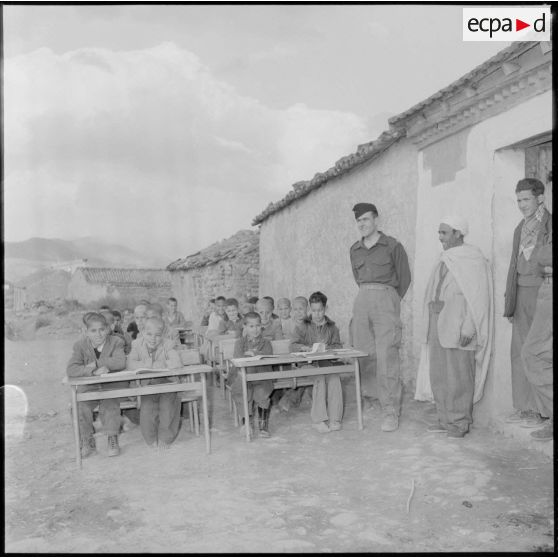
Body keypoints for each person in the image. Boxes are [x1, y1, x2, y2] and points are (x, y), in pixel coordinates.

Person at [420, 216, 493, 438]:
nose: (440, 237)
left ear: (458, 233)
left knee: (460, 375)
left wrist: (469, 328)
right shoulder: (446, 258)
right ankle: (445, 419)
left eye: (444, 233)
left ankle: (459, 423)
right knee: (440, 374)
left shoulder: (473, 259)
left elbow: (479, 297)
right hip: (438, 321)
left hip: (459, 324)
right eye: (439, 233)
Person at [349, 202, 411, 432]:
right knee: (364, 353)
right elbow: (357, 277)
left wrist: (389, 300)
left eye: (365, 219)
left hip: (386, 299)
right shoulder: (354, 249)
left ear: (376, 220)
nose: (362, 224)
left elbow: (404, 278)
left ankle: (390, 411)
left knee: (387, 357)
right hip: (362, 300)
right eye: (358, 221)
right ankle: (371, 399)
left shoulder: (392, 246)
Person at [504, 178, 552, 428]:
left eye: (526, 199)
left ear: (540, 198)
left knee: (541, 351)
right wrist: (510, 300)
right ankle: (526, 408)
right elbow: (514, 266)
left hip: (543, 294)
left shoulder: (549, 224)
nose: (522, 205)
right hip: (521, 292)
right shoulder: (520, 228)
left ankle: (545, 411)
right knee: (519, 350)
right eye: (519, 200)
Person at [66, 312, 126, 458]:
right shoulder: (80, 345)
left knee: (110, 403)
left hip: (111, 385)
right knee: (80, 406)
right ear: (86, 332)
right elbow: (71, 369)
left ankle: (112, 438)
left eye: (102, 330)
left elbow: (120, 361)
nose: (98, 334)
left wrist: (98, 363)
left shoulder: (116, 341)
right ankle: (87, 440)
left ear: (108, 329)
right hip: (90, 387)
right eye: (93, 331)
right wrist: (92, 370)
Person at [127, 317, 183, 449]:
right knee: (147, 408)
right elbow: (130, 364)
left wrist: (156, 364)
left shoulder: (168, 345)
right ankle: (150, 439)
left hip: (167, 383)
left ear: (163, 334)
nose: (153, 338)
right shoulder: (136, 344)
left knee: (168, 407)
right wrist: (150, 364)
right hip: (146, 384)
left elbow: (177, 362)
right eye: (149, 334)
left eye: (158, 335)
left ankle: (166, 438)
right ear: (142, 332)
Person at [291, 291, 343, 433]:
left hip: (326, 363)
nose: (317, 314)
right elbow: (293, 345)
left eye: (320, 310)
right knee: (320, 377)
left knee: (334, 377)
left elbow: (338, 346)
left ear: (325, 309)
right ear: (310, 310)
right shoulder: (303, 326)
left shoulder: (332, 327)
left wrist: (327, 348)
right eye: (314, 311)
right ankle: (318, 420)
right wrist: (304, 347)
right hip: (307, 365)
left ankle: (335, 419)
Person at [521, 228, 553, 441]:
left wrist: (542, 257)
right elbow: (534, 263)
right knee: (535, 355)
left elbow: (542, 257)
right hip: (546, 289)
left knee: (532, 354)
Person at [229, 312, 274, 437]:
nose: (255, 329)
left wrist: (253, 354)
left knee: (262, 394)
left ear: (261, 326)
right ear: (245, 327)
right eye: (251, 326)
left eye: (258, 326)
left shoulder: (266, 342)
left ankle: (263, 426)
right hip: (243, 377)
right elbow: (238, 357)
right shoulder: (240, 343)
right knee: (244, 393)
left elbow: (268, 355)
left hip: (262, 375)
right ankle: (246, 423)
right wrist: (253, 355)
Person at [277, 296, 311, 412]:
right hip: (289, 358)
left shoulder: (310, 324)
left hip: (306, 358)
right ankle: (290, 399)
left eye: (301, 309)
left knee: (307, 371)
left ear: (307, 309)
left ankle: (291, 399)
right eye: (295, 309)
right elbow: (284, 343)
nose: (298, 312)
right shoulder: (287, 324)